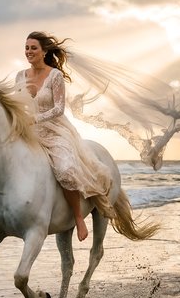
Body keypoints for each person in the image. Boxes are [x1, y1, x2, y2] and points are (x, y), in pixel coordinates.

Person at [15, 31, 113, 241]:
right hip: (28, 131)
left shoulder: (54, 76)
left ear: (44, 51)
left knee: (66, 170)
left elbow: (59, 108)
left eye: (33, 48)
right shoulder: (20, 76)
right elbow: (16, 104)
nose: (29, 52)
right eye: (26, 48)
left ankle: (78, 217)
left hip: (55, 130)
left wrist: (36, 119)